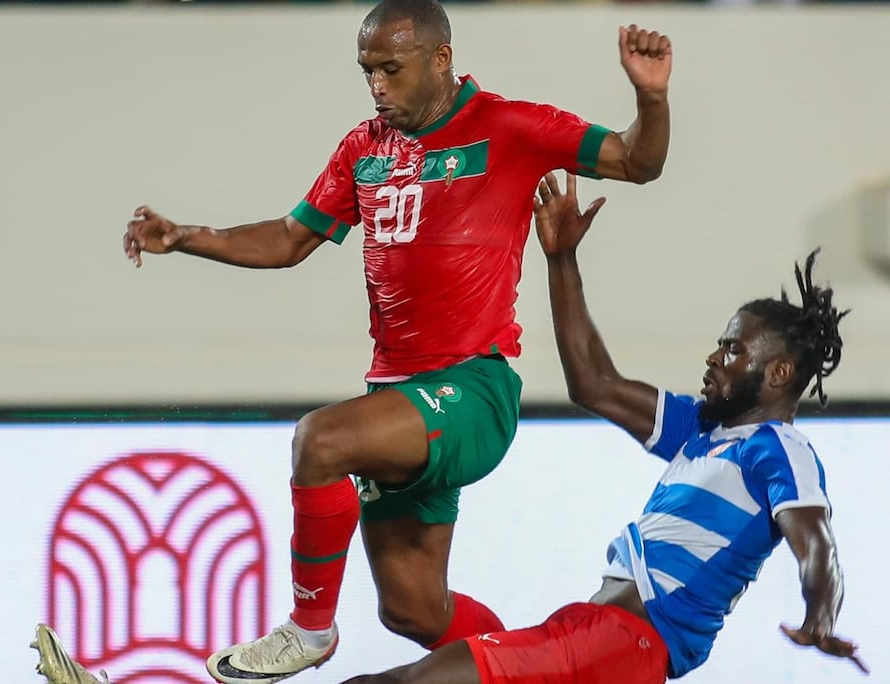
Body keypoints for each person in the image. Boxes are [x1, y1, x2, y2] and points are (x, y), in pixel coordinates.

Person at [107, 2, 672, 683]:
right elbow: (289, 239)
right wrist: (186, 237)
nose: (377, 86)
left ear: (441, 59)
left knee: (321, 441)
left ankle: (308, 631)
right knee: (413, 610)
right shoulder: (364, 148)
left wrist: (651, 97)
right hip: (398, 394)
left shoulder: (509, 126)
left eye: (391, 69)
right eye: (367, 70)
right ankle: (532, 671)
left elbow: (638, 161)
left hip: (471, 391)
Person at [326, 171, 866, 683]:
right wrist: (562, 259)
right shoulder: (701, 430)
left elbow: (816, 543)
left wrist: (820, 616)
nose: (713, 358)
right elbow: (593, 383)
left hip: (621, 643)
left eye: (732, 349)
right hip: (593, 633)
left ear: (779, 373)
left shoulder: (778, 448)